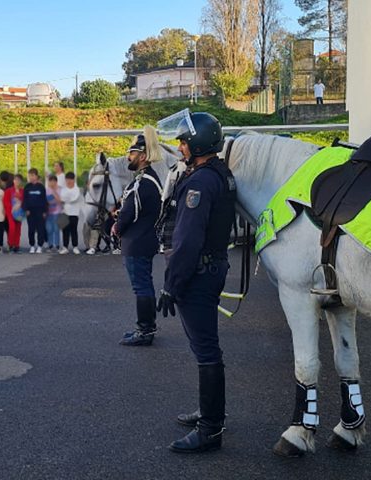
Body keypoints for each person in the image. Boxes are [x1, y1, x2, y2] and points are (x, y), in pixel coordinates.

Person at [157, 111, 235, 454]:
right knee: (206, 347)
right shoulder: (218, 173)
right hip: (210, 268)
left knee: (205, 350)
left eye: (184, 140)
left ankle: (210, 430)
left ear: (199, 143)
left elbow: (187, 241)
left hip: (197, 274)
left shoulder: (201, 182)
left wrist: (171, 285)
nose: (180, 146)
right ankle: (210, 413)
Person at [112, 126, 163, 347]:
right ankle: (146, 328)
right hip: (144, 240)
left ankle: (145, 331)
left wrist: (117, 227)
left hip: (138, 242)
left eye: (132, 153)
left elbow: (128, 213)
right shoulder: (147, 178)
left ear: (142, 156)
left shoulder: (143, 182)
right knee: (144, 285)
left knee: (141, 287)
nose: (128, 156)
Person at [22, 168, 48, 254]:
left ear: (36, 176)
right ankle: (32, 246)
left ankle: (40, 246)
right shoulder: (27, 187)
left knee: (40, 229)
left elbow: (44, 200)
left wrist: (45, 211)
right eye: (30, 175)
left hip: (40, 211)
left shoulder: (41, 187)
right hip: (30, 212)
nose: (31, 177)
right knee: (31, 229)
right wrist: (25, 209)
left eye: (33, 175)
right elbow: (24, 199)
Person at [59, 172, 81, 255]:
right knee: (65, 231)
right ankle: (65, 247)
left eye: (70, 179)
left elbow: (74, 199)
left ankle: (75, 247)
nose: (68, 181)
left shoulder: (77, 189)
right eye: (67, 179)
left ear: (73, 179)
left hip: (74, 213)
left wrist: (66, 200)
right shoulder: (63, 189)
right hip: (64, 213)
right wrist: (66, 199)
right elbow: (61, 200)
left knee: (73, 230)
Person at [3, 174, 24, 253]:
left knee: (18, 229)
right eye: (15, 180)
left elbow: (25, 201)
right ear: (13, 181)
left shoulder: (22, 191)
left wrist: (20, 205)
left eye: (19, 180)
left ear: (21, 182)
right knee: (12, 228)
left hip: (20, 213)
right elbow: (5, 201)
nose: (17, 182)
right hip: (10, 212)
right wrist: (12, 208)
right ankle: (11, 244)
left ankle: (17, 246)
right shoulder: (9, 191)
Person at [45, 175, 62, 251]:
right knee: (49, 229)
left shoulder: (59, 189)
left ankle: (57, 245)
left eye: (53, 181)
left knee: (56, 229)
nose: (51, 183)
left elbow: (59, 201)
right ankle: (50, 245)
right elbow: (44, 201)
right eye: (50, 181)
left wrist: (54, 191)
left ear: (56, 182)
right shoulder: (46, 190)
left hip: (57, 212)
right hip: (48, 213)